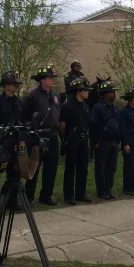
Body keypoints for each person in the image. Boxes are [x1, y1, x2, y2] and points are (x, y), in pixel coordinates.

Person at [22, 64, 61, 206]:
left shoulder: (55, 96)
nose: (53, 80)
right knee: (34, 167)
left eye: (53, 77)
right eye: (50, 78)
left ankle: (46, 195)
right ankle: (29, 196)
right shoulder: (32, 96)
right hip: (37, 136)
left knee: (51, 167)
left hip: (52, 135)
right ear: (42, 80)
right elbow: (25, 115)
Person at [0, 71, 23, 212]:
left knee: (15, 173)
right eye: (13, 84)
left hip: (14, 142)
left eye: (16, 84)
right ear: (6, 85)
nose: (16, 86)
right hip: (0, 143)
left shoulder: (19, 102)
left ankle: (12, 202)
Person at [59, 77, 92, 205]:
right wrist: (66, 138)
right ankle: (69, 196)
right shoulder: (67, 106)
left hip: (84, 139)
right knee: (70, 167)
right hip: (72, 139)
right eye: (85, 90)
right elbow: (62, 125)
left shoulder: (85, 106)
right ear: (79, 91)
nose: (88, 92)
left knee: (83, 167)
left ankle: (81, 194)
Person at [90, 80, 120, 200]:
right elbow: (92, 125)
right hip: (102, 142)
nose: (114, 94)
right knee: (101, 167)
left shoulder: (115, 107)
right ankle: (101, 191)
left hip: (114, 141)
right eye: (111, 92)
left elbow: (118, 123)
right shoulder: (97, 107)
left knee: (111, 167)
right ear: (105, 94)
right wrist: (95, 141)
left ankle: (109, 189)